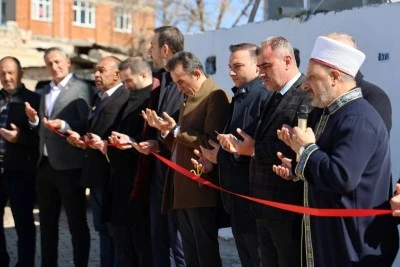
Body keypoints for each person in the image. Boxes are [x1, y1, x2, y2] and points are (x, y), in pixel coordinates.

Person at [274, 35, 399, 266]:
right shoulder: (335, 113)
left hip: (354, 248)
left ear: (334, 77)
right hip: (336, 242)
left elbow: (342, 177)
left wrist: (307, 148)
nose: (304, 84)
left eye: (312, 77)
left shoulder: (358, 119)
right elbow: (328, 167)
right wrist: (300, 167)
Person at [216, 36, 311, 267]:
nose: (261, 73)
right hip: (262, 208)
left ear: (287, 60)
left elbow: (297, 145)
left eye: (266, 66)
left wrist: (254, 149)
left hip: (286, 209)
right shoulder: (275, 94)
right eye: (259, 67)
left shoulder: (304, 94)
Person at [143, 51, 230, 267]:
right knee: (190, 253)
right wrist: (165, 132)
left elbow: (210, 141)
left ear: (197, 73)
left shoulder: (214, 96)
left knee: (205, 253)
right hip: (182, 186)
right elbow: (179, 143)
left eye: (181, 81)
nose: (179, 87)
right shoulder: (188, 97)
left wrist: (176, 130)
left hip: (200, 186)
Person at [193, 43, 271, 267]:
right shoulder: (239, 96)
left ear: (257, 66)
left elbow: (256, 148)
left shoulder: (262, 96)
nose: (231, 72)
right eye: (229, 66)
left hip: (253, 201)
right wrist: (212, 163)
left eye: (237, 66)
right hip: (236, 202)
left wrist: (223, 158)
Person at [24, 47, 92, 267]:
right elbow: (42, 129)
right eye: (49, 63)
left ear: (68, 61)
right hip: (45, 166)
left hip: (71, 166)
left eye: (57, 62)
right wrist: (34, 121)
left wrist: (65, 125)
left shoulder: (82, 88)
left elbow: (88, 125)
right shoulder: (44, 91)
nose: (54, 67)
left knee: (76, 223)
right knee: (47, 224)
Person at [67, 56, 128, 267]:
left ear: (117, 74)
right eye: (96, 70)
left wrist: (103, 144)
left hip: (111, 176)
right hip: (95, 174)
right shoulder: (99, 98)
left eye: (102, 70)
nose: (97, 74)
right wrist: (82, 140)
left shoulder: (124, 97)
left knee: (114, 231)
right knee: (102, 229)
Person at [134, 25, 185, 267]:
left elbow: (188, 131)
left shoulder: (187, 81)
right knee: (158, 243)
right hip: (157, 175)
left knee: (179, 248)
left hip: (179, 177)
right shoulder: (161, 80)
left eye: (152, 46)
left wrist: (166, 133)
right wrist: (153, 141)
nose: (148, 50)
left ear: (165, 49)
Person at [103, 57, 154, 266]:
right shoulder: (128, 98)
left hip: (139, 185)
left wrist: (131, 142)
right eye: (123, 81)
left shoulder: (151, 99)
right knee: (124, 247)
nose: (126, 86)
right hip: (120, 182)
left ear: (143, 75)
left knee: (142, 248)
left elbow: (150, 141)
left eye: (129, 81)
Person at [0, 57, 40, 267]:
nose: (7, 77)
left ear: (21, 73)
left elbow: (41, 140)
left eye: (11, 72)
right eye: (2, 73)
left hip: (21, 171)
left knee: (24, 224)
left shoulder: (34, 100)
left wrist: (19, 138)